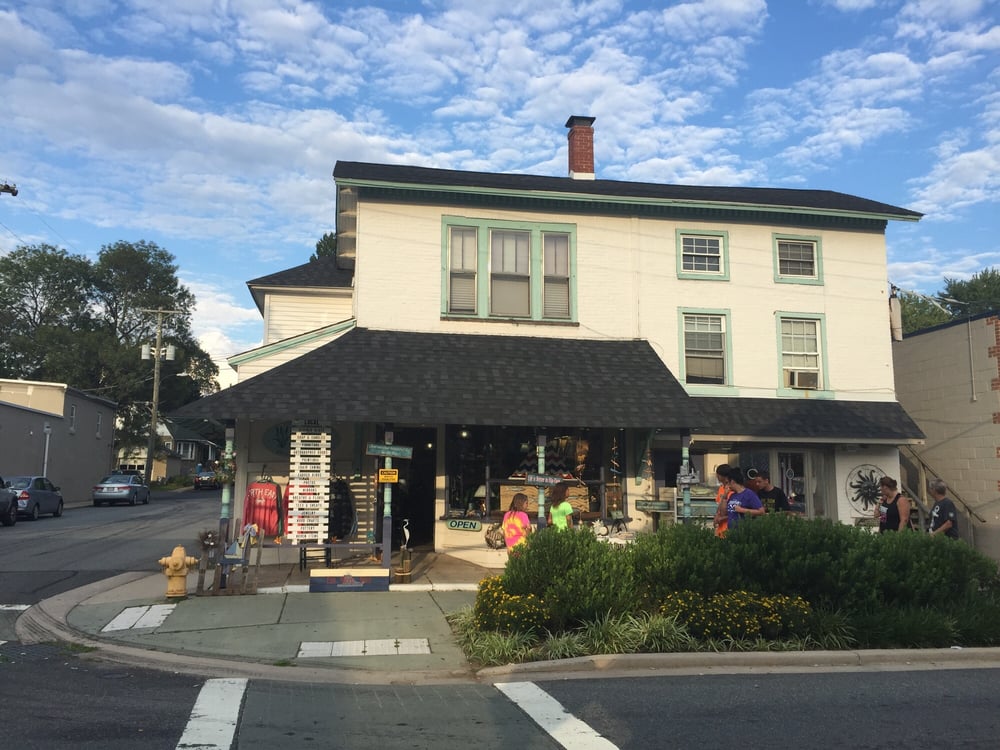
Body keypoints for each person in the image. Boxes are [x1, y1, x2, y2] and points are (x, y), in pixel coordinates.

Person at [724, 466, 764, 531]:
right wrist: (724, 497)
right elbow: (724, 512)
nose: (727, 485)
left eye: (728, 482)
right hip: (732, 530)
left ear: (732, 482)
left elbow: (761, 511)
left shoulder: (749, 494)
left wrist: (742, 510)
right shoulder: (732, 495)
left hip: (744, 530)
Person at [712, 463, 733, 538]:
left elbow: (734, 510)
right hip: (720, 527)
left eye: (718, 475)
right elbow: (719, 504)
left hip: (729, 526)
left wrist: (722, 518)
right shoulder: (721, 488)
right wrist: (717, 516)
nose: (716, 476)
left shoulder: (732, 489)